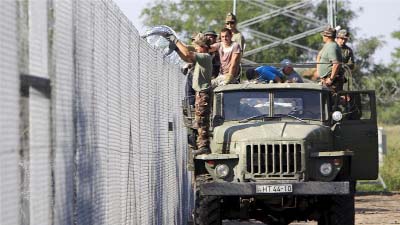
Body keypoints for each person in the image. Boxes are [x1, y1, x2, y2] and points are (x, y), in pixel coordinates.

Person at [165, 33, 213, 155]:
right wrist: (176, 49)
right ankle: (202, 144)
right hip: (200, 93)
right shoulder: (202, 56)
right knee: (199, 120)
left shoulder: (205, 56)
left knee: (201, 121)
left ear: (203, 46)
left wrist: (175, 41)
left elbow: (187, 54)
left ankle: (204, 146)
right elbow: (187, 58)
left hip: (203, 93)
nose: (195, 48)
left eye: (197, 46)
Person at [316, 27, 343, 92]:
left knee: (331, 100)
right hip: (326, 80)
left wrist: (331, 79)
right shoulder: (328, 45)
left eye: (324, 35)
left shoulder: (332, 47)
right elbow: (319, 56)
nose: (323, 37)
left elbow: (336, 64)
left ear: (327, 36)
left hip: (331, 82)